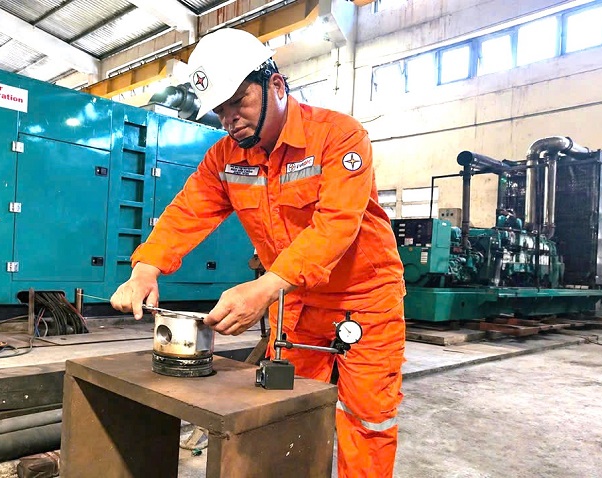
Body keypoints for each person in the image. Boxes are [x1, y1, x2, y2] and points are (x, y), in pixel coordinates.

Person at [110, 28, 406, 478]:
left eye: (238, 102)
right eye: (220, 110)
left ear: (276, 85)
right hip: (296, 303)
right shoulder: (225, 158)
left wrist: (264, 289)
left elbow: (336, 226)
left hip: (364, 301)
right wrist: (145, 269)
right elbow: (187, 212)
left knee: (366, 420)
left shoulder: (339, 137)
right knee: (285, 414)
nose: (230, 119)